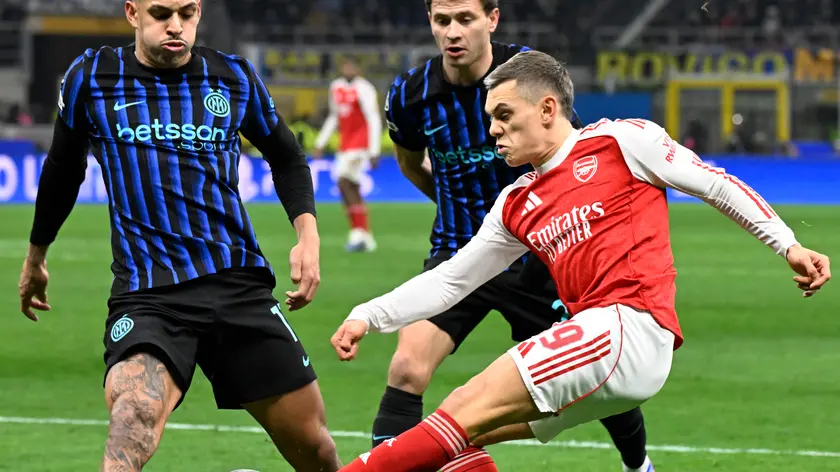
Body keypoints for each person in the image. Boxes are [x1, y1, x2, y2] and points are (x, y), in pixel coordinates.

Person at [331, 50, 831, 471]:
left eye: (504, 115)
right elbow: (452, 280)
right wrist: (368, 315)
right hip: (602, 348)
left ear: (547, 108)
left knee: (462, 405)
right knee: (463, 438)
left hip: (630, 326)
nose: (493, 130)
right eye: (489, 119)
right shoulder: (515, 202)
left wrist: (788, 245)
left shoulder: (622, 141)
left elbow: (715, 184)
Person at [17, 0, 341, 470]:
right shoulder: (93, 77)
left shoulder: (233, 78)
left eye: (187, 14)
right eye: (161, 14)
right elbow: (63, 171)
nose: (176, 26)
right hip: (150, 295)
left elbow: (287, 157)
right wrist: (36, 255)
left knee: (317, 450)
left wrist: (308, 237)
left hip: (238, 285)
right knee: (133, 415)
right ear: (132, 13)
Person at [372, 0, 654, 470]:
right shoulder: (410, 93)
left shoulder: (528, 75)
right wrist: (452, 204)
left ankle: (638, 464)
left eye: (465, 19)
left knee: (596, 378)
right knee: (406, 368)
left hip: (538, 260)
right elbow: (409, 162)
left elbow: (569, 155)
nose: (453, 32)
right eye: (443, 21)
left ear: (492, 19)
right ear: (431, 23)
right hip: (458, 251)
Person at [312, 56, 382, 252]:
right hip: (345, 145)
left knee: (344, 182)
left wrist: (374, 150)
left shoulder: (365, 89)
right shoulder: (336, 87)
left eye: (352, 67)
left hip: (360, 144)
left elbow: (373, 118)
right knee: (350, 187)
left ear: (358, 69)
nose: (348, 70)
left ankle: (359, 232)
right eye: (345, 66)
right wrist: (321, 142)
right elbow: (334, 116)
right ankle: (364, 235)